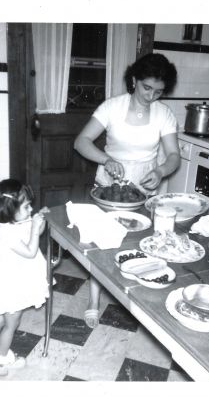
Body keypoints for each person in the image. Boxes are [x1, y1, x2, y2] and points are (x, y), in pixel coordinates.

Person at [74, 53, 180, 328]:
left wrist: (160, 171)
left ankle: (141, 300)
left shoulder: (164, 114)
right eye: (146, 87)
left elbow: (173, 156)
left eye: (158, 91)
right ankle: (94, 301)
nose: (151, 96)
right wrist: (105, 160)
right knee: (101, 243)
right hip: (110, 185)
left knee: (144, 242)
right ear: (134, 80)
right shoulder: (111, 107)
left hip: (146, 186)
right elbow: (81, 141)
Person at [0, 179, 52, 376]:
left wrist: (38, 220)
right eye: (27, 206)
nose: (31, 208)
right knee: (11, 323)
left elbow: (31, 231)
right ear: (10, 209)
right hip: (11, 286)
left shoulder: (12, 223)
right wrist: (35, 229)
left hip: (8, 281)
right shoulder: (7, 234)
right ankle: (1, 360)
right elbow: (30, 251)